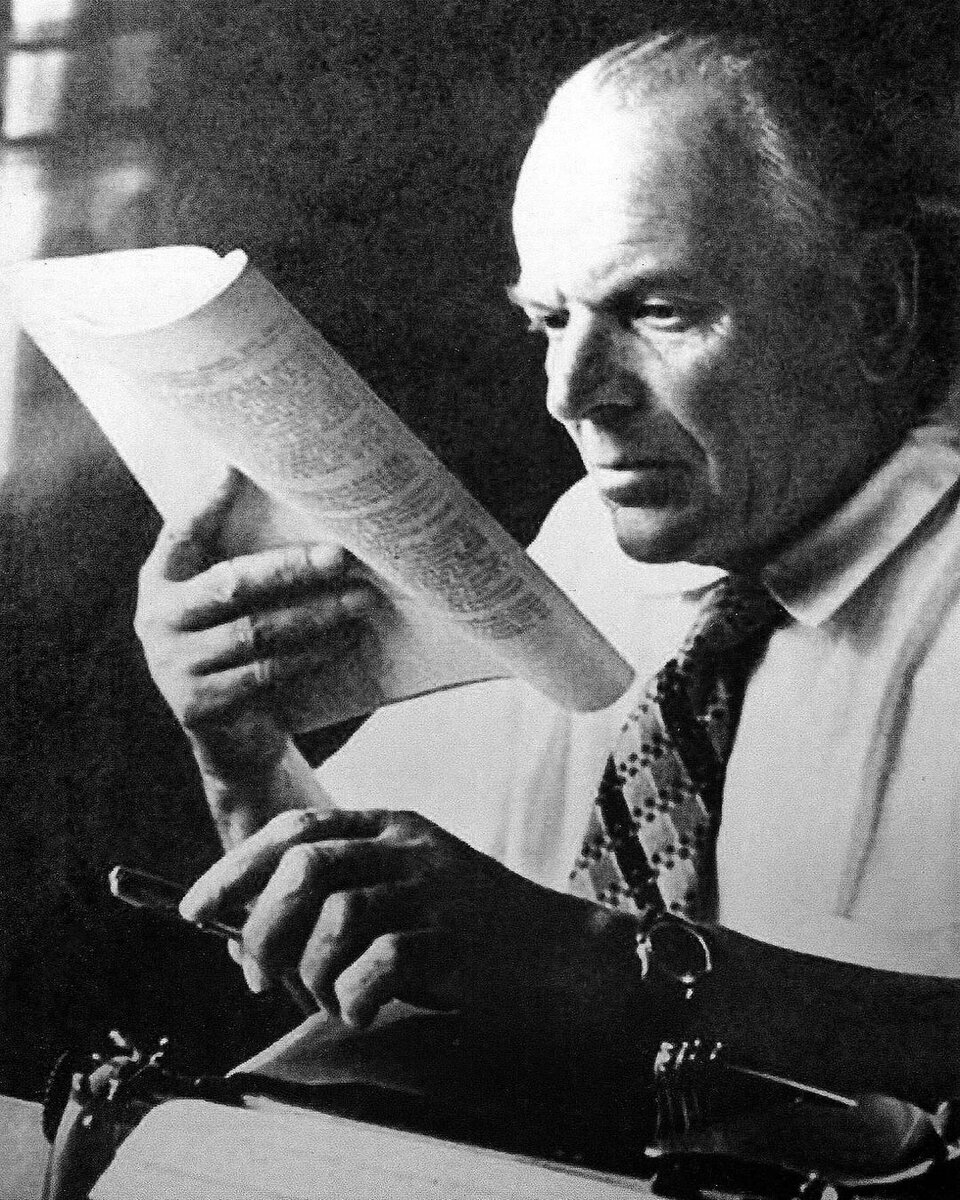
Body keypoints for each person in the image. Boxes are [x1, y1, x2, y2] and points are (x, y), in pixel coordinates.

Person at [135, 32, 960, 1113]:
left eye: (657, 311)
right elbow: (374, 952)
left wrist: (595, 959)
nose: (570, 393)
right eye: (549, 320)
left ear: (878, 306)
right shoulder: (587, 543)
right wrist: (243, 755)